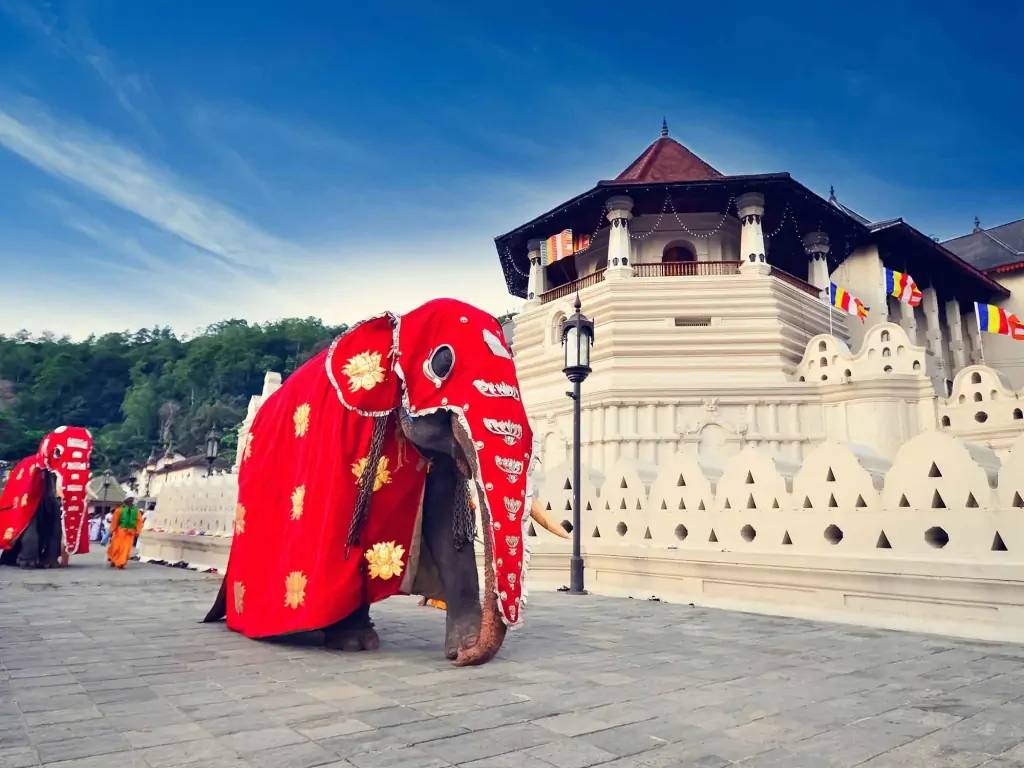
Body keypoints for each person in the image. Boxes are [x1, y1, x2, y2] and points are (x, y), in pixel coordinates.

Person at [107, 496, 142, 569]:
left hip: (130, 533)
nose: (130, 501)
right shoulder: (119, 510)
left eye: (132, 500)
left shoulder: (136, 511)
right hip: (120, 531)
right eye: (129, 500)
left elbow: (139, 522)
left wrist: (138, 531)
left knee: (126, 548)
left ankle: (121, 563)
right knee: (116, 547)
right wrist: (112, 530)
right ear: (125, 501)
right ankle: (113, 559)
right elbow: (115, 521)